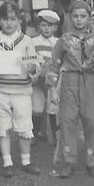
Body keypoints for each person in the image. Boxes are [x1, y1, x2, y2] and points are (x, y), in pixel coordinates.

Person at [0, 1, 40, 177]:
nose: (9, 23)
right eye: (5, 19)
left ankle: (26, 160)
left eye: (13, 19)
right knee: (2, 125)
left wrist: (33, 70)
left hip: (22, 91)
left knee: (24, 125)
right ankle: (7, 162)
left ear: (18, 20)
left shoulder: (26, 41)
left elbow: (34, 64)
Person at [48, 1, 94, 178]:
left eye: (83, 16)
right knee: (67, 120)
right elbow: (54, 64)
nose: (79, 20)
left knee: (92, 121)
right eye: (75, 16)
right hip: (70, 81)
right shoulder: (63, 39)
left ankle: (93, 161)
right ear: (70, 17)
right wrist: (52, 89)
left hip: (92, 81)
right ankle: (68, 160)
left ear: (89, 18)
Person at [31, 10, 60, 141]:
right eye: (43, 25)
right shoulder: (32, 42)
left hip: (53, 81)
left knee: (53, 106)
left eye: (50, 25)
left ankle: (54, 135)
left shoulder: (58, 42)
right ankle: (34, 134)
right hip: (37, 80)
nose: (47, 28)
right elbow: (27, 61)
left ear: (55, 27)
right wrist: (37, 71)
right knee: (37, 107)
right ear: (38, 26)